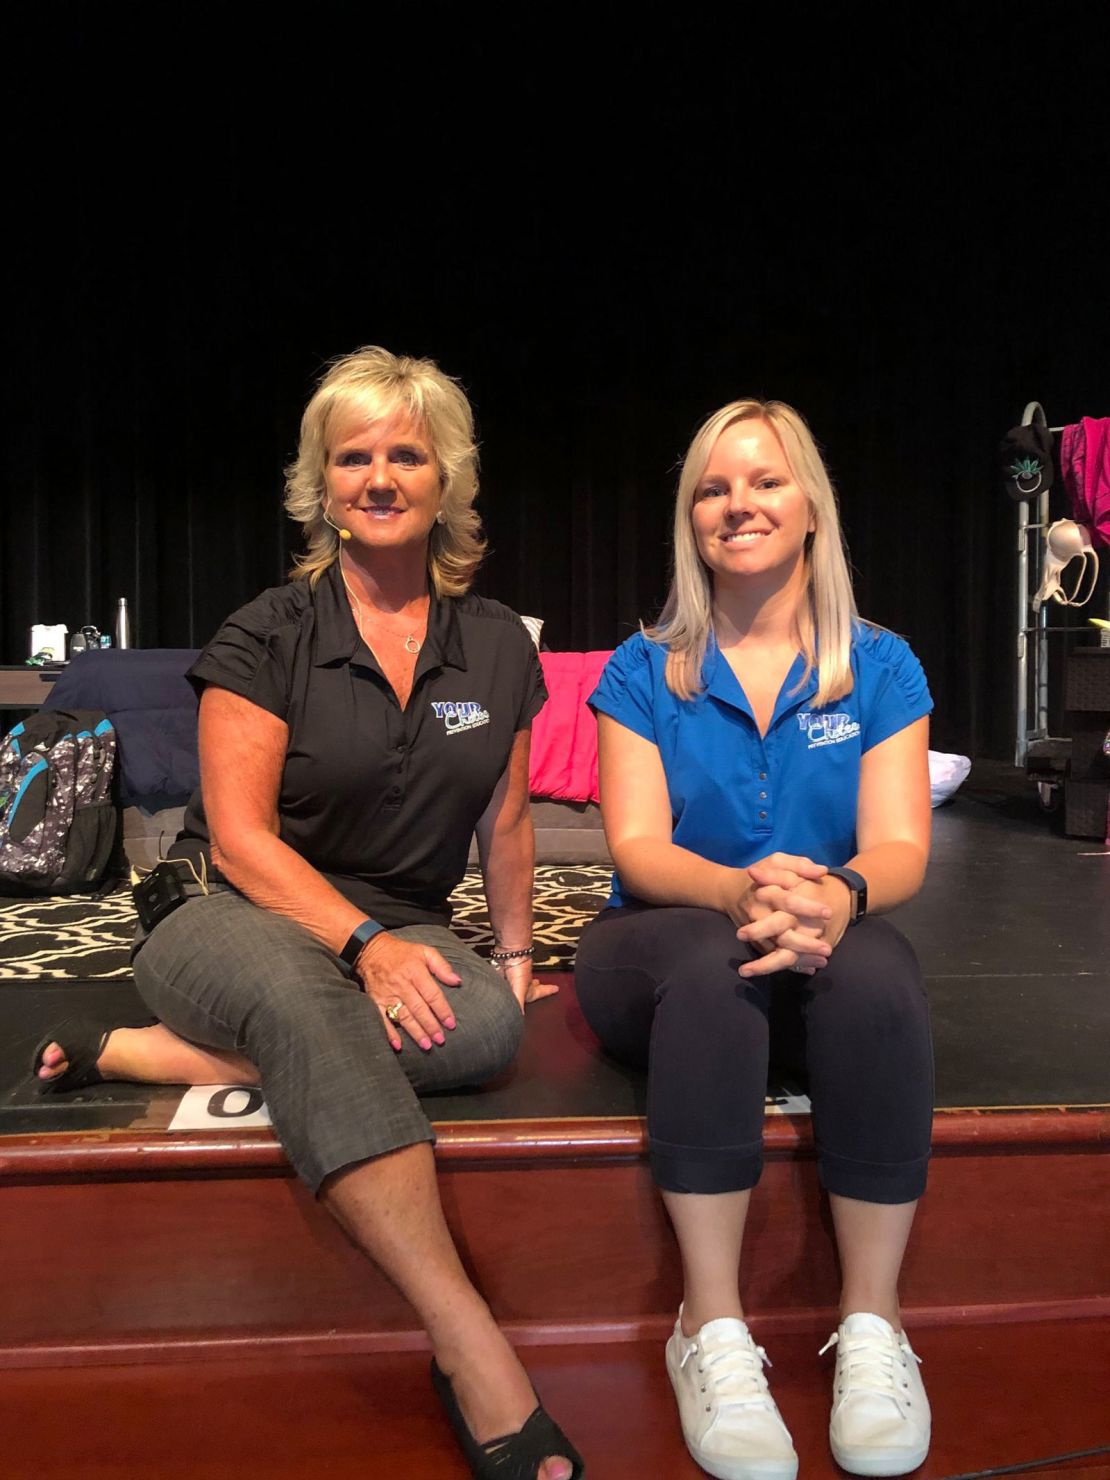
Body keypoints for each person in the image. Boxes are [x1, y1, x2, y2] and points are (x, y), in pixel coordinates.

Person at [33, 347, 583, 1480]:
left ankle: (141, 1053)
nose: (379, 477)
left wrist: (519, 954)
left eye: (406, 455)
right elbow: (240, 836)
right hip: (232, 909)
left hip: (399, 921)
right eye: (354, 457)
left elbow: (511, 821)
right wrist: (366, 948)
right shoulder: (269, 630)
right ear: (322, 483)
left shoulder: (497, 646)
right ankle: (469, 1337)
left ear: (447, 482)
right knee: (303, 996)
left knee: (483, 1023)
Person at [575, 400, 934, 1480]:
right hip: (662, 946)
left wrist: (840, 896)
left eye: (766, 481)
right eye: (714, 488)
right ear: (691, 520)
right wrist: (739, 891)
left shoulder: (880, 665)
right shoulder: (644, 670)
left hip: (823, 937)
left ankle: (875, 1327)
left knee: (879, 976)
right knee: (710, 960)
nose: (740, 505)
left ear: (811, 505)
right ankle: (712, 1329)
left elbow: (902, 843)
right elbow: (637, 849)